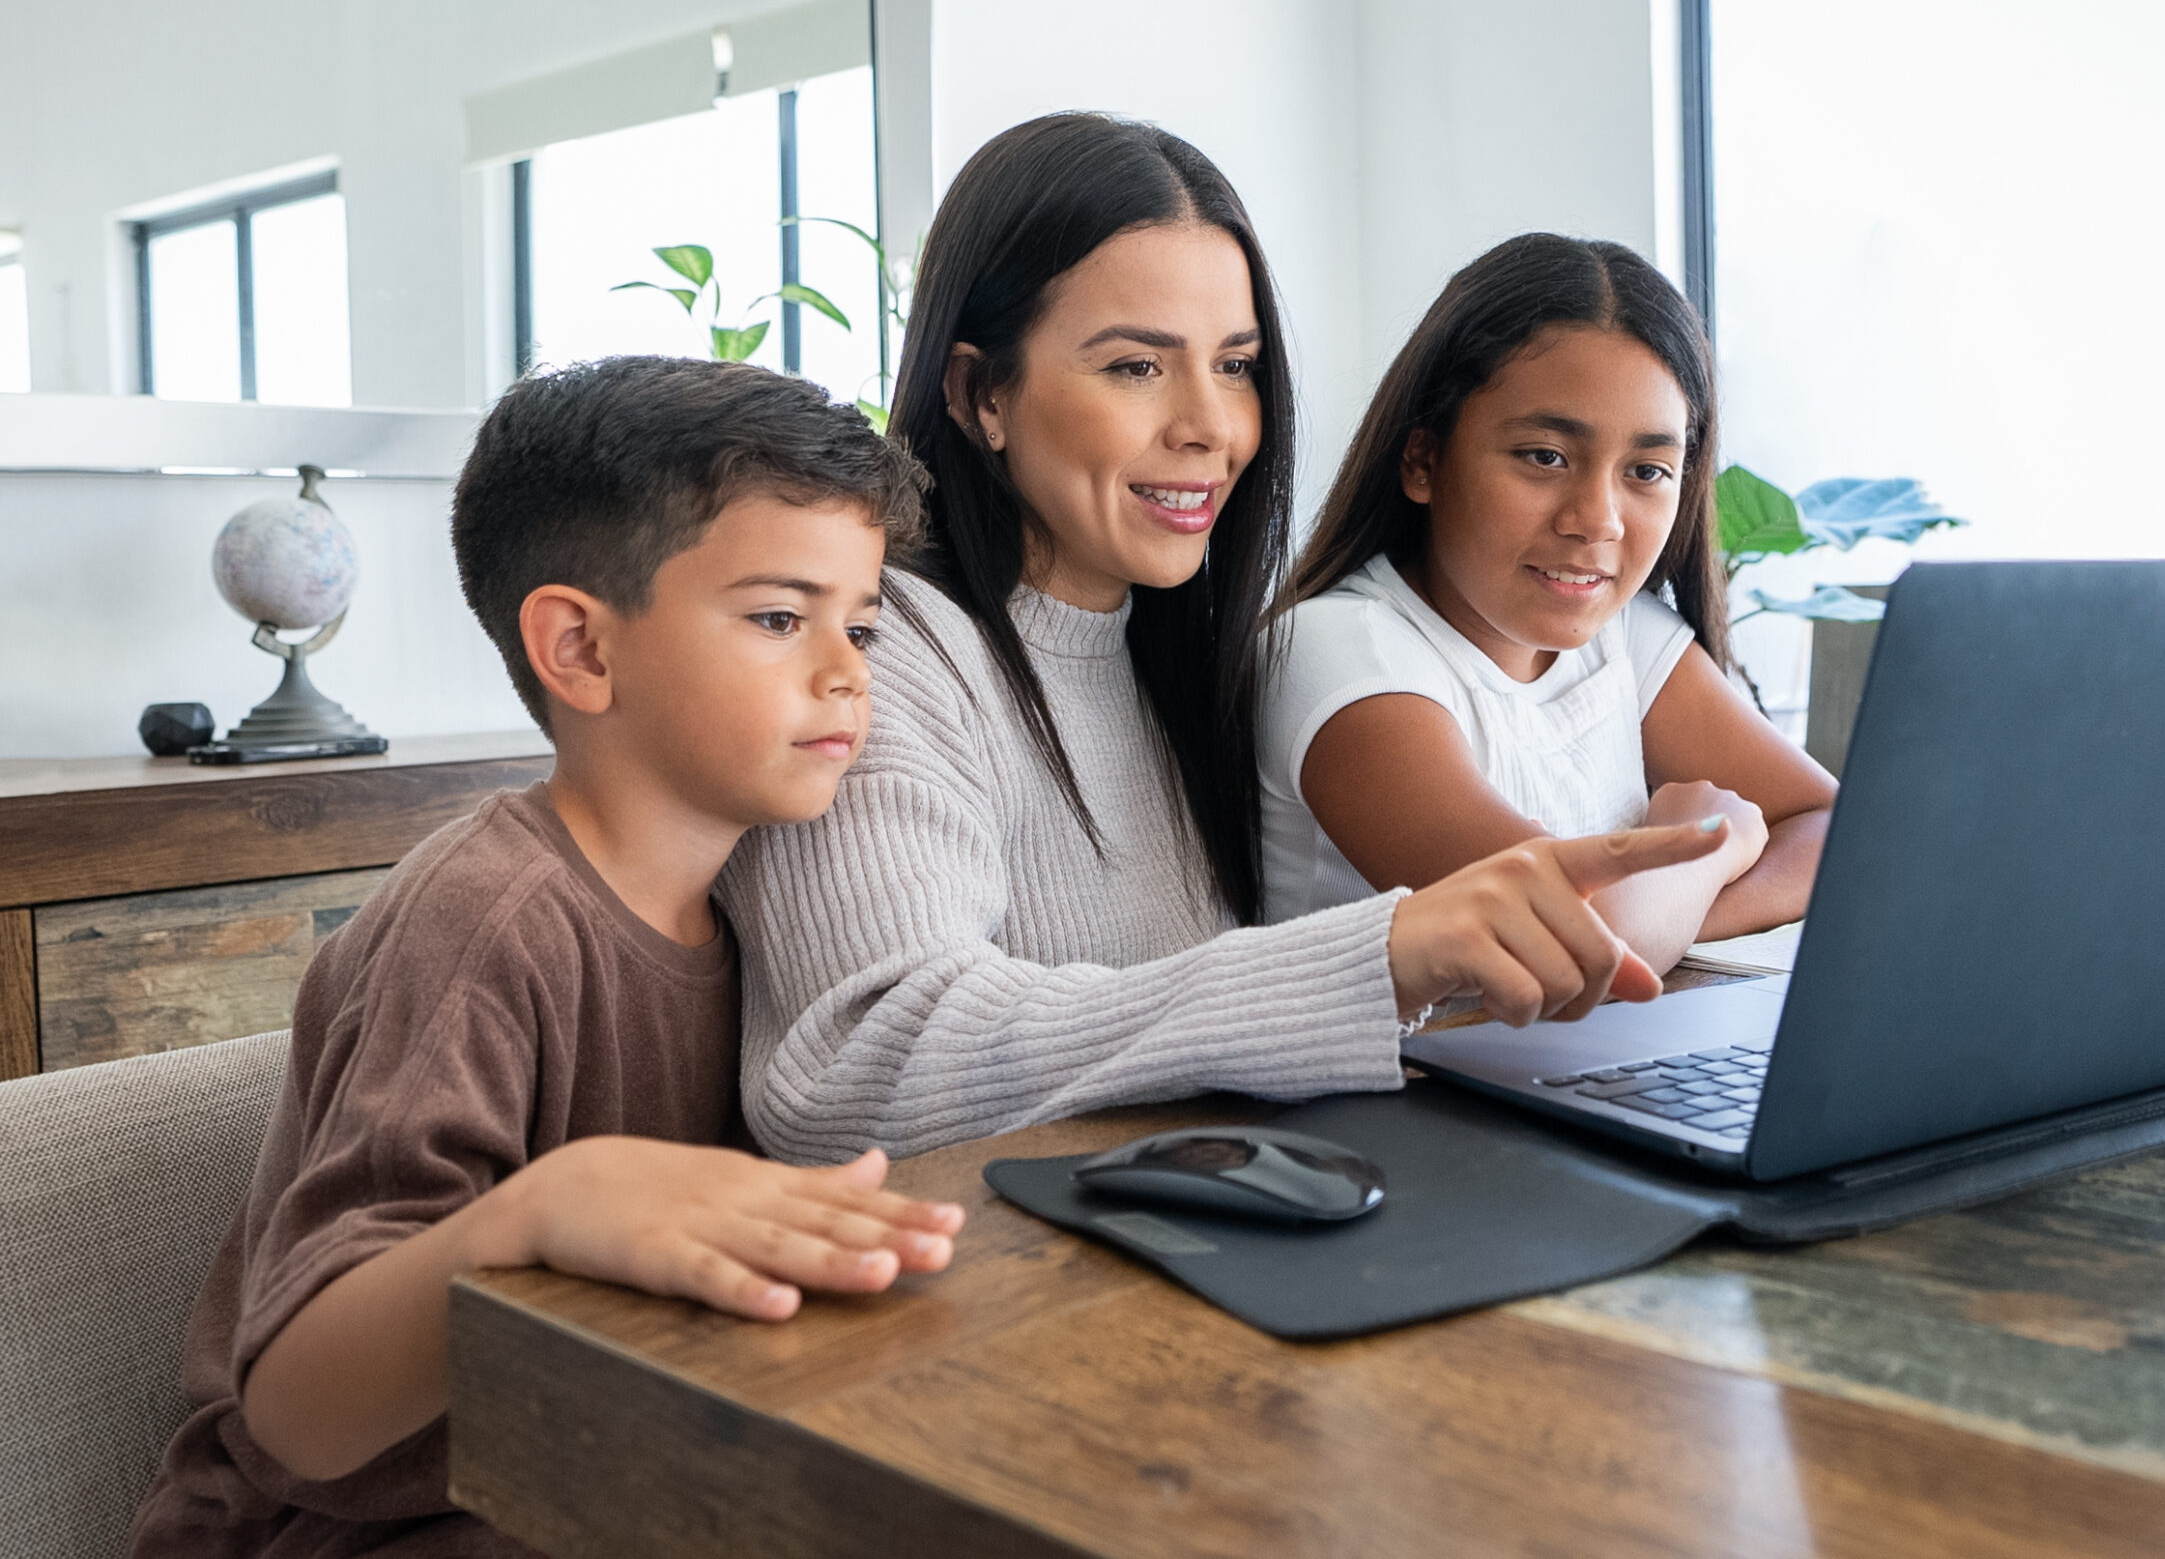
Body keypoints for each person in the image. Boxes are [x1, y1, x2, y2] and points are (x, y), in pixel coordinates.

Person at [726, 115, 1727, 1163]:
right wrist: (1368, 961)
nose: (1212, 426)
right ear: (982, 394)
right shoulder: (882, 647)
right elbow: (859, 1070)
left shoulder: (1177, 656)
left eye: (1238, 365)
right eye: (1135, 369)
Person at [129, 358, 967, 1558]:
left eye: (862, 623)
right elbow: (299, 1412)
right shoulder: (485, 923)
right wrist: (541, 1211)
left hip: (601, 1487)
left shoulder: (766, 902)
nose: (847, 672)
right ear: (578, 648)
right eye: (782, 618)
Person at [1263, 233, 1837, 970]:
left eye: (1647, 471)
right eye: (1546, 458)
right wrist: (1709, 840)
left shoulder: (1623, 635)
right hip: (1397, 1085)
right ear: (1423, 459)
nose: (1596, 520)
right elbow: (1570, 944)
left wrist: (1663, 916)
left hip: (1567, 1067)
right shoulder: (1338, 652)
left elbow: (1831, 827)